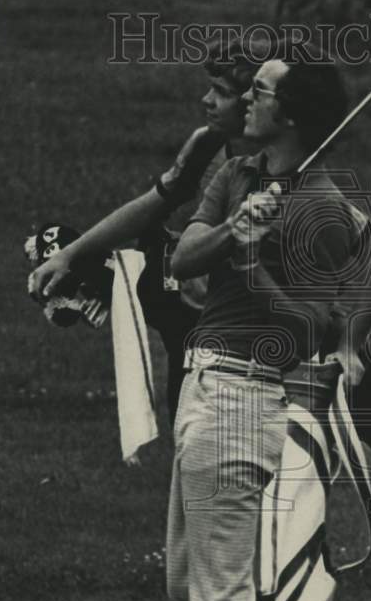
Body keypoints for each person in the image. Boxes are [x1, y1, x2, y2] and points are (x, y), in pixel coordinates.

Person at [164, 51, 371, 601]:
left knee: (220, 598)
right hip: (201, 389)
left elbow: (308, 332)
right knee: (186, 583)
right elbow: (183, 258)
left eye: (258, 93)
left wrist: (255, 263)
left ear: (287, 113)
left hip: (244, 397)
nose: (244, 102)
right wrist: (235, 229)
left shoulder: (318, 207)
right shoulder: (238, 172)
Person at [28, 36, 257, 420]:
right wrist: (70, 254)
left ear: (254, 100)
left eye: (221, 92)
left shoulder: (283, 171)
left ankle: (105, 282)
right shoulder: (207, 145)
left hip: (236, 330)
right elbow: (154, 204)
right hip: (187, 309)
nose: (206, 100)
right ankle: (103, 278)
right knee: (185, 426)